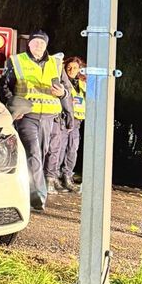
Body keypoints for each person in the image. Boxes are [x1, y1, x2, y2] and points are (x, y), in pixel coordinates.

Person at [0, 30, 74, 210]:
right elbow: (4, 87)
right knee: (33, 153)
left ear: (46, 45)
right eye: (35, 42)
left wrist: (62, 93)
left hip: (49, 118)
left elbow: (68, 90)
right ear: (29, 44)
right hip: (27, 116)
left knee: (40, 154)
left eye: (42, 43)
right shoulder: (16, 61)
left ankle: (22, 189)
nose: (38, 45)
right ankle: (38, 196)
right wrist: (16, 106)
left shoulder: (56, 64)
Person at [53, 56, 85, 191]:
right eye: (69, 67)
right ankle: (54, 177)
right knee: (59, 149)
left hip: (77, 121)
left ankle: (67, 177)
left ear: (80, 69)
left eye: (75, 68)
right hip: (63, 119)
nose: (72, 70)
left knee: (72, 149)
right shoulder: (62, 82)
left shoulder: (83, 83)